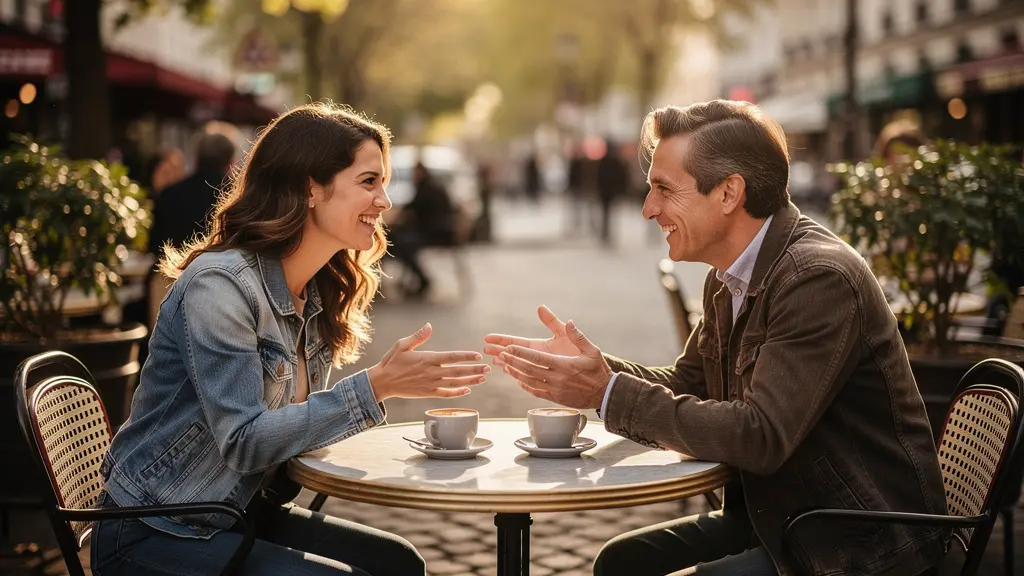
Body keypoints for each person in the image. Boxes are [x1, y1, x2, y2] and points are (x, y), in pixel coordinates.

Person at [484, 100, 947, 576]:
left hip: (859, 543)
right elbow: (690, 383)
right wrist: (597, 373)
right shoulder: (729, 277)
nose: (648, 209)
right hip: (780, 518)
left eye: (664, 189)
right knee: (620, 562)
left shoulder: (817, 278)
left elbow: (760, 436)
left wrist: (606, 393)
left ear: (729, 193)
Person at [93, 102, 491, 576]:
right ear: (309, 188)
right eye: (369, 181)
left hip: (236, 516)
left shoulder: (317, 290)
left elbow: (290, 433)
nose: (385, 201)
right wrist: (376, 387)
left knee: (398, 564)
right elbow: (245, 442)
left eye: (383, 183)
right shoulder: (221, 287)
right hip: (155, 529)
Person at [388, 161, 457, 298]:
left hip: (436, 232)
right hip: (439, 231)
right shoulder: (432, 185)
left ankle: (422, 280)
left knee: (402, 244)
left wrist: (398, 216)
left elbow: (413, 207)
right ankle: (416, 281)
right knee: (400, 241)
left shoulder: (426, 188)